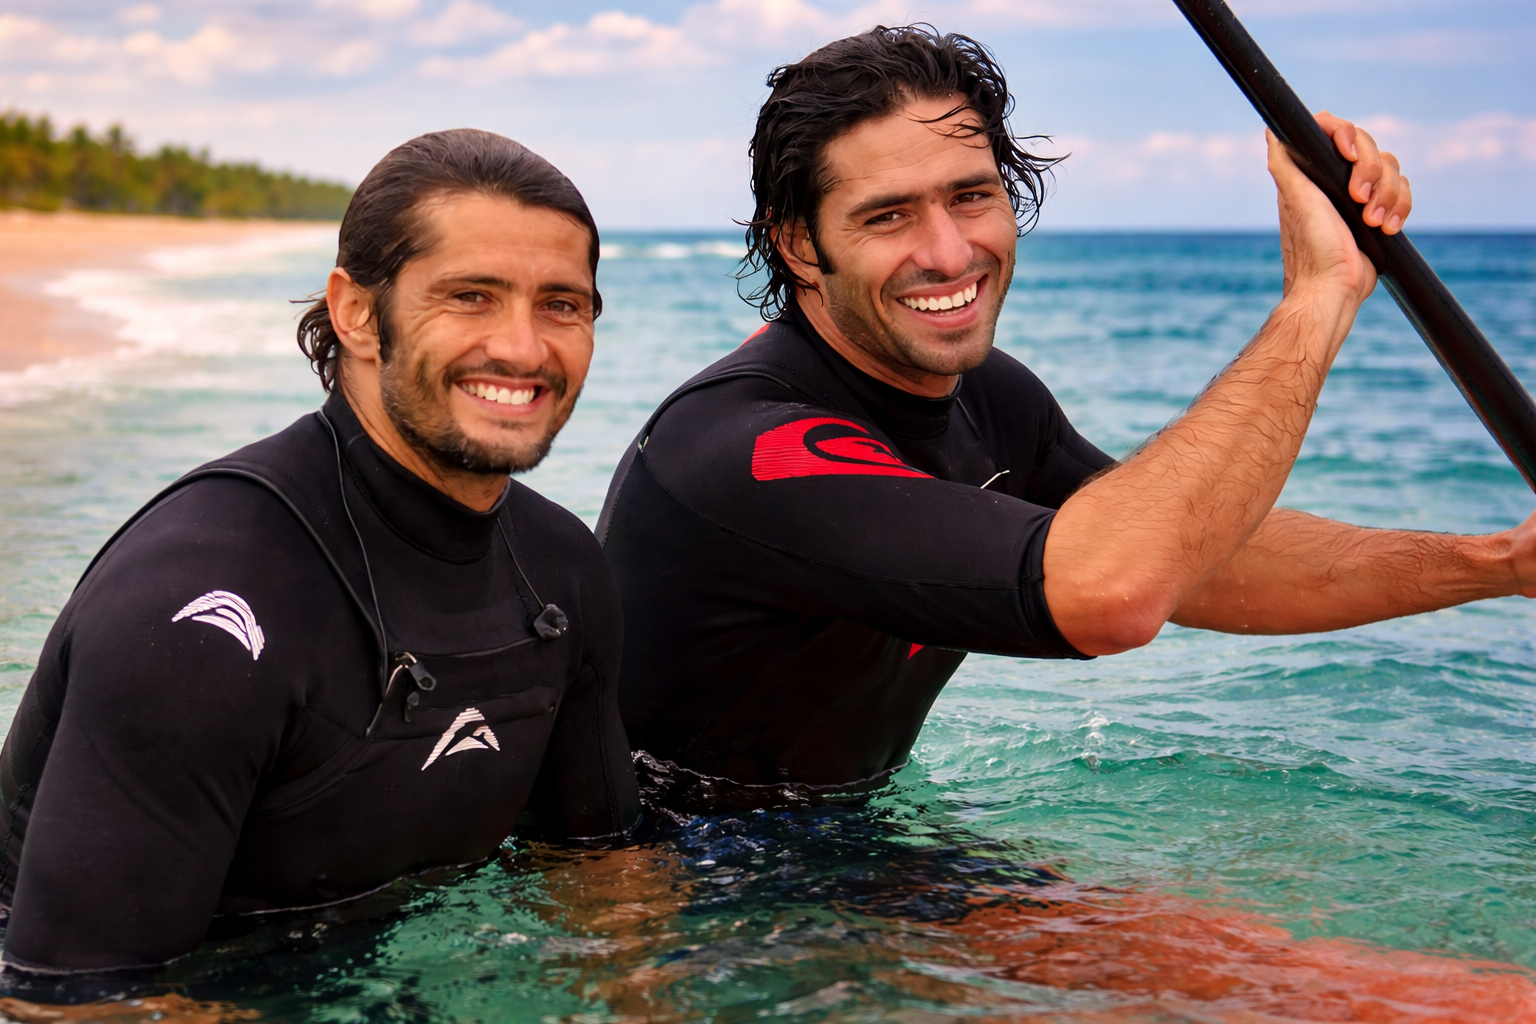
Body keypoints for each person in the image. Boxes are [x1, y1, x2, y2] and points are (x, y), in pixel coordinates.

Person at [597, 26, 1536, 806]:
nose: (949, 249)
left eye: (972, 196)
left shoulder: (993, 400)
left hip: (845, 847)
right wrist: (1318, 296)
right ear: (800, 246)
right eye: (888, 217)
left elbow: (1205, 562)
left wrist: (1500, 563)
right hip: (680, 878)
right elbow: (1112, 594)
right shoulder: (745, 449)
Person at [0, 129, 640, 974]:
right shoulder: (205, 602)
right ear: (356, 313)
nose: (524, 348)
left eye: (561, 303)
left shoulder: (562, 568)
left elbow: (601, 870)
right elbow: (76, 998)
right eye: (471, 296)